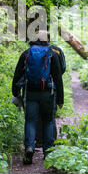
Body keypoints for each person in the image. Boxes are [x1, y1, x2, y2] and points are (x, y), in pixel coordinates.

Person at [12, 30, 64, 164]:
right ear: (47, 40)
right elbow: (58, 78)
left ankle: (29, 147)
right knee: (48, 121)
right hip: (48, 94)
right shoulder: (52, 54)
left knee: (30, 121)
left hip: (30, 93)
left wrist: (15, 92)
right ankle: (48, 152)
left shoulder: (26, 53)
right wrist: (60, 99)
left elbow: (18, 74)